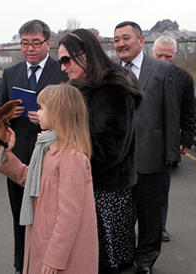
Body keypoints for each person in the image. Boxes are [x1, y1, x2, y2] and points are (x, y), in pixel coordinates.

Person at [58, 29, 143, 274]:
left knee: (105, 263)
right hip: (89, 188)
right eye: (60, 60)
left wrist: (66, 158)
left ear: (85, 54)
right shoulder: (82, 86)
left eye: (67, 59)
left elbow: (109, 148)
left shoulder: (111, 88)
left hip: (106, 194)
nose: (63, 67)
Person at [0, 84, 98, 274]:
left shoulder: (71, 158)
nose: (38, 113)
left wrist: (54, 258)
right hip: (44, 240)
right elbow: (34, 181)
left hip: (61, 256)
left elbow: (70, 216)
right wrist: (9, 155)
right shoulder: (47, 148)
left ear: (58, 113)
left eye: (42, 108)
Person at [0, 19, 66, 274]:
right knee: (21, 217)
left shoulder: (62, 72)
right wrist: (9, 114)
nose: (30, 49)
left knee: (52, 217)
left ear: (48, 43)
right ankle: (21, 264)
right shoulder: (11, 73)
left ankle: (52, 263)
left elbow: (74, 113)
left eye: (36, 43)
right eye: (25, 43)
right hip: (20, 158)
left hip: (53, 155)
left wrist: (50, 119)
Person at [114, 22, 180, 274]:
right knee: (122, 215)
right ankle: (124, 257)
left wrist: (171, 153)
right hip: (118, 161)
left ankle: (146, 261)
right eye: (116, 39)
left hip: (151, 156)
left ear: (141, 41)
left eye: (126, 38)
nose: (121, 43)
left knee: (151, 214)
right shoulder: (109, 73)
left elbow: (171, 114)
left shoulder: (162, 70)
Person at [152, 35, 196, 242]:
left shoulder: (184, 78)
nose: (163, 59)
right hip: (141, 140)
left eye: (168, 56)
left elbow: (188, 112)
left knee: (162, 188)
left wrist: (186, 139)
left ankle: (159, 227)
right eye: (159, 55)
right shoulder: (140, 74)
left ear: (174, 55)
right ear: (152, 54)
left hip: (167, 141)